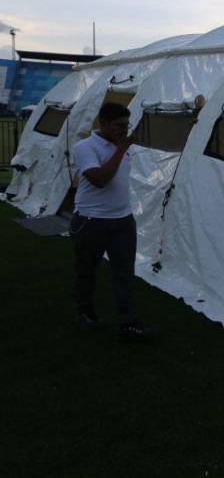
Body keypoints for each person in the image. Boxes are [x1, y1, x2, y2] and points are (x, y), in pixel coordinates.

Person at [70, 102, 157, 341]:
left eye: (126, 125)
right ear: (103, 123)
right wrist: (121, 149)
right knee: (86, 271)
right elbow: (100, 180)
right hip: (91, 220)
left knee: (124, 273)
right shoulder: (84, 147)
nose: (124, 130)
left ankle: (128, 325)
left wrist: (122, 147)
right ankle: (85, 313)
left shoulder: (123, 144)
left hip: (122, 220)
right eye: (119, 125)